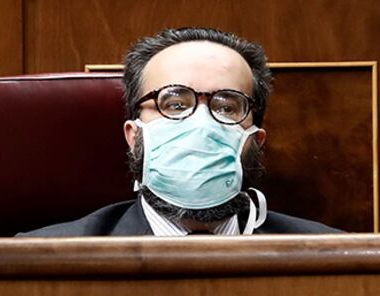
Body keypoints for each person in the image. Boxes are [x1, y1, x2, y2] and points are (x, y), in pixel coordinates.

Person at [17, 27, 341, 237]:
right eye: (173, 103)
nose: (202, 122)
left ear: (256, 140)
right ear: (133, 136)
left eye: (227, 106)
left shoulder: (334, 260)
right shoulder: (42, 259)